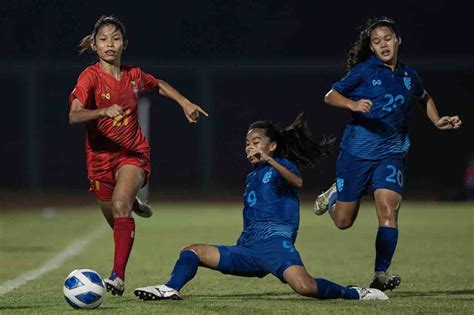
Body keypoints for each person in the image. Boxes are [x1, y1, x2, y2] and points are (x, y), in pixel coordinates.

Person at [134, 113, 388, 301]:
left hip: (275, 244)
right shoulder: (252, 176)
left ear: (272, 146)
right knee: (192, 251)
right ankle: (170, 288)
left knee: (305, 287)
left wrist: (270, 160)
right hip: (248, 248)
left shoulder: (282, 166)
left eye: (256, 141)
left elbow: (297, 182)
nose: (250, 147)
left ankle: (354, 293)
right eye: (247, 143)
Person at [313, 17, 462, 291]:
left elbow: (424, 96)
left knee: (388, 211)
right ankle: (334, 195)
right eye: (376, 41)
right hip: (356, 154)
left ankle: (381, 273)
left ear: (398, 40)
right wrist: (352, 103)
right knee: (344, 221)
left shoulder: (408, 76)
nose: (383, 44)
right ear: (371, 47)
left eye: (387, 38)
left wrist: (437, 120)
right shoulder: (364, 71)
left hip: (391, 153)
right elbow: (330, 95)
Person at [68, 15, 208, 296]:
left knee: (120, 205)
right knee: (117, 221)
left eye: (116, 38)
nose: (110, 44)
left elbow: (158, 84)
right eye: (104, 39)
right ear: (95, 45)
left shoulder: (133, 76)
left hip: (132, 155)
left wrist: (184, 102)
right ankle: (132, 202)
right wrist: (101, 111)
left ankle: (117, 278)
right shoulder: (90, 77)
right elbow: (74, 114)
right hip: (99, 161)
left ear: (124, 44)